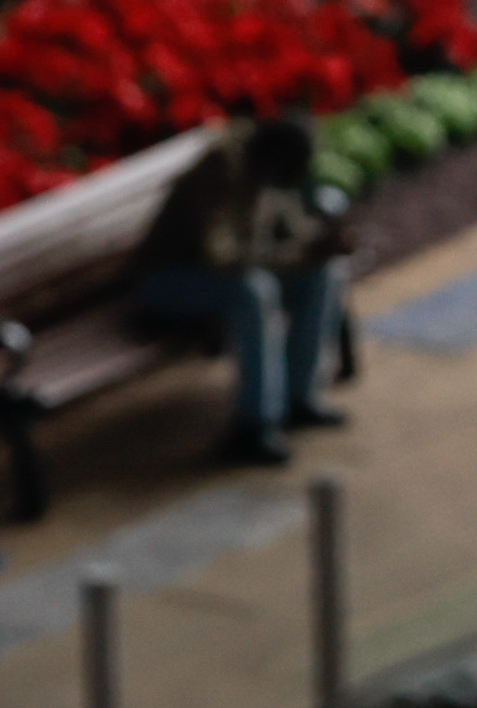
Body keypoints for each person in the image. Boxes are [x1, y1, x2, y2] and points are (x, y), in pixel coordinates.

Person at [133, 113, 352, 462]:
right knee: (253, 290)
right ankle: (255, 426)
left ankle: (300, 396)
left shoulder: (273, 169)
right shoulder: (219, 170)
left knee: (323, 273)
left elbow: (289, 228)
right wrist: (294, 255)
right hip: (167, 282)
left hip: (223, 277)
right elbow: (222, 256)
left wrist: (316, 246)